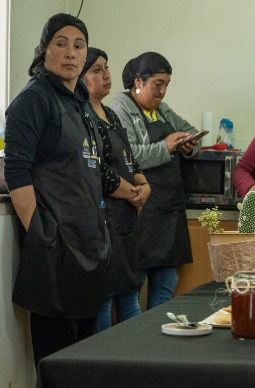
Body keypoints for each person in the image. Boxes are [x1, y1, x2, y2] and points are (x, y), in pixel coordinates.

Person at [4, 14, 119, 364]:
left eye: (79, 45)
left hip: (88, 247)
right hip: (56, 254)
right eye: (61, 43)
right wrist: (43, 235)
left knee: (82, 365)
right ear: (44, 51)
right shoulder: (33, 100)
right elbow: (16, 172)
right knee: (58, 367)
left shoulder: (81, 103)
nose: (71, 52)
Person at [111, 52, 201, 309]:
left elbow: (192, 131)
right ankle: (137, 343)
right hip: (141, 208)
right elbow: (129, 155)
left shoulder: (162, 111)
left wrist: (189, 144)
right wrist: (166, 146)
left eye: (166, 86)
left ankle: (157, 340)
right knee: (134, 281)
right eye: (157, 85)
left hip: (168, 208)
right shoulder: (121, 108)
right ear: (138, 81)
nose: (162, 92)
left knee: (166, 280)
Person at [81, 48, 151, 330]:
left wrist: (143, 185)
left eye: (106, 67)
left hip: (126, 219)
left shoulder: (111, 114)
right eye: (96, 70)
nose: (106, 75)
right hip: (102, 218)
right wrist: (130, 193)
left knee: (129, 294)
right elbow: (95, 168)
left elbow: (129, 159)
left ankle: (135, 365)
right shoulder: (81, 114)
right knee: (104, 298)